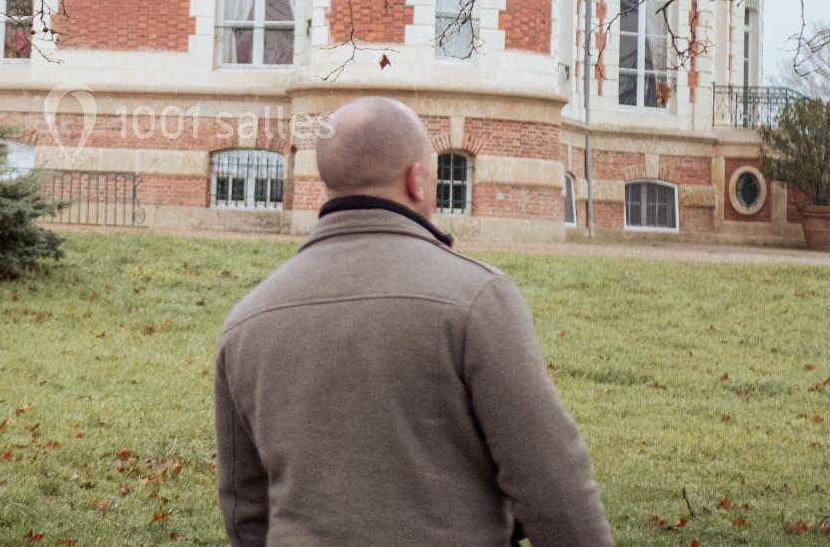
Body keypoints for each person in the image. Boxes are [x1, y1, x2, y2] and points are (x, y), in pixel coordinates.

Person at [213, 97, 613, 547]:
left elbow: (245, 510)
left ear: (330, 183)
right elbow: (550, 482)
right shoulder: (476, 299)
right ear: (418, 180)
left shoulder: (245, 321)